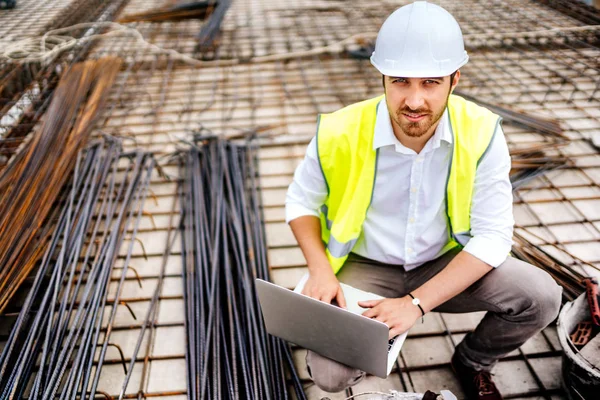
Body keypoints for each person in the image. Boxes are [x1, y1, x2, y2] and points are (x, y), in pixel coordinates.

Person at [285, 2, 562, 399]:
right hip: (366, 265)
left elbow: (493, 237)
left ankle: (472, 361)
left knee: (541, 295)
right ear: (382, 77)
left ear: (455, 79)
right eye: (401, 81)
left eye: (430, 82)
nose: (414, 101)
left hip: (442, 260)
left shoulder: (481, 132)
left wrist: (415, 304)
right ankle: (368, 363)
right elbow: (301, 202)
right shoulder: (339, 130)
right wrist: (320, 270)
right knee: (329, 375)